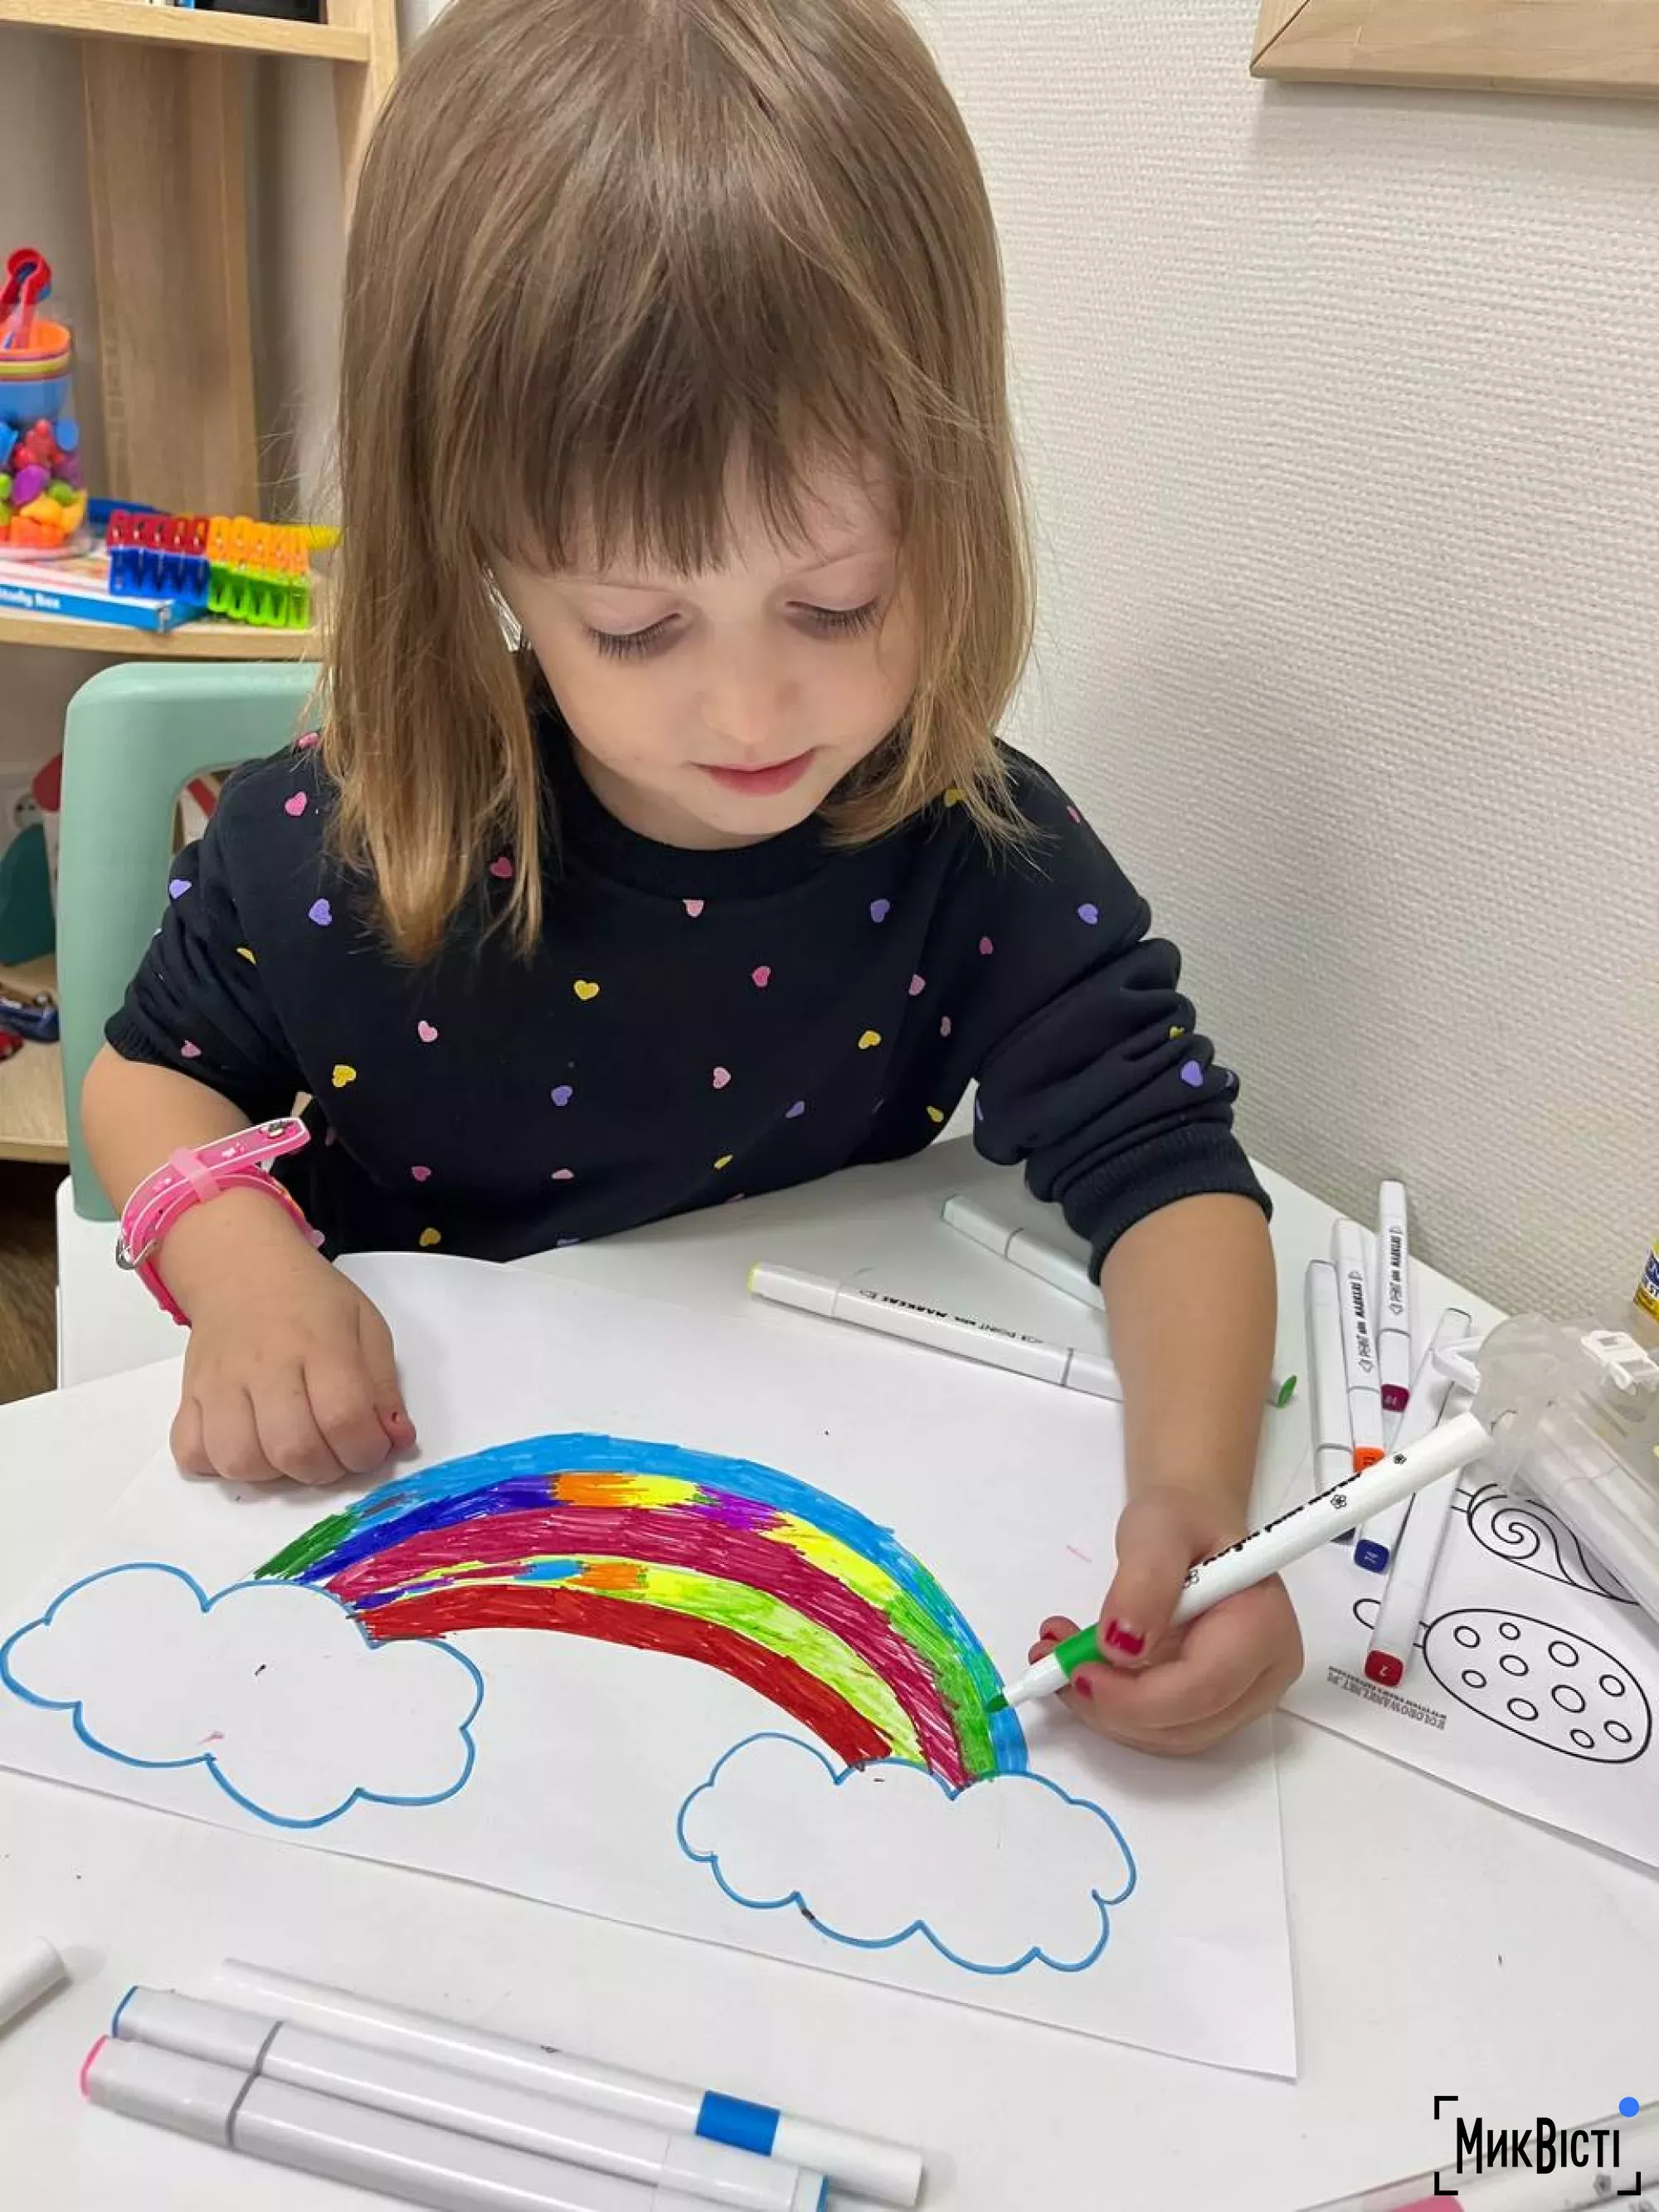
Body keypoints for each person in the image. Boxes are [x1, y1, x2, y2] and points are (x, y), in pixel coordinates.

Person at [82, 0, 1301, 1754]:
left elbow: (1169, 1164)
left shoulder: (972, 850)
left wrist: (1200, 1501)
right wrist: (245, 1264)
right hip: (395, 1558)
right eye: (638, 626)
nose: (751, 711)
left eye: (838, 601)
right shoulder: (347, 835)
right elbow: (147, 1076)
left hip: (786, 1555)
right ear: (477, 552)